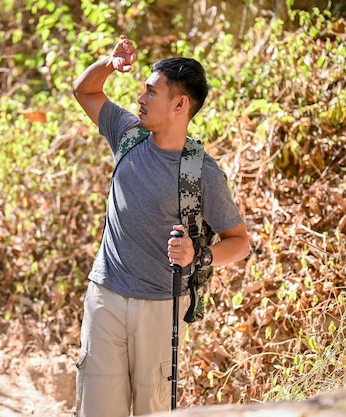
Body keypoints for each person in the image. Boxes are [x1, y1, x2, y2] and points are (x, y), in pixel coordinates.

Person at [72, 35, 250, 417]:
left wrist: (198, 255)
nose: (141, 99)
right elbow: (84, 91)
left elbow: (239, 243)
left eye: (151, 92)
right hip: (106, 296)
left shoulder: (202, 172)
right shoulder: (128, 134)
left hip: (162, 308)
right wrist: (109, 62)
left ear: (180, 104)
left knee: (152, 413)